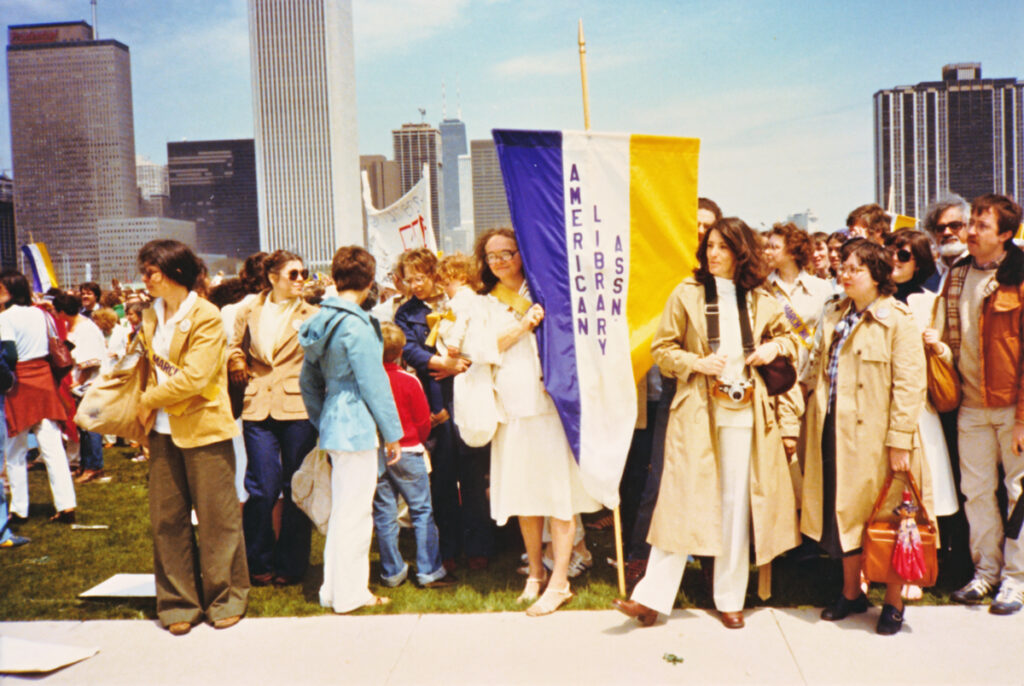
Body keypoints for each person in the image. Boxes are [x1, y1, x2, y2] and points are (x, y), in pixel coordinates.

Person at [613, 218, 800, 629]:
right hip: (698, 410)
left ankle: (730, 598)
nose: (713, 253)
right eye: (709, 246)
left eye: (722, 247)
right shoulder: (687, 293)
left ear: (741, 252)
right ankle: (650, 598)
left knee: (735, 507)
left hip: (748, 415)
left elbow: (799, 338)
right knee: (682, 504)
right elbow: (662, 349)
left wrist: (772, 347)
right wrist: (696, 362)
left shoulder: (763, 298)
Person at [468, 227, 601, 615]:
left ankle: (560, 579)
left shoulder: (548, 289)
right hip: (512, 409)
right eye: (492, 256)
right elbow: (480, 347)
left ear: (521, 253)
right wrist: (522, 327)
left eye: (507, 253)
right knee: (525, 496)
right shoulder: (484, 304)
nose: (500, 262)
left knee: (558, 496)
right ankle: (536, 575)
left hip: (550, 406)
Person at [801, 238, 928, 635]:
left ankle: (892, 604)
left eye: (855, 267)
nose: (845, 273)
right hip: (834, 430)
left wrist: (900, 441)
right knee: (844, 516)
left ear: (877, 275)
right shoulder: (834, 312)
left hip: (879, 439)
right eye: (844, 266)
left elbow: (910, 385)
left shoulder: (898, 320)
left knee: (889, 518)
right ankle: (851, 593)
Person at [134, 240, 248, 636]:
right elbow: (148, 367)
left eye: (151, 272)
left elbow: (197, 377)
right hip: (162, 432)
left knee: (218, 518)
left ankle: (226, 598)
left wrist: (146, 400)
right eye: (144, 271)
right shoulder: (149, 315)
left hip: (204, 429)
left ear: (175, 272)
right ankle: (178, 602)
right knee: (167, 520)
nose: (144, 279)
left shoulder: (207, 315)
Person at [299, 246, 404, 613]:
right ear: (370, 282)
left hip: (334, 421)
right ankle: (351, 594)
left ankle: (333, 590)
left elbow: (308, 381)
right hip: (357, 424)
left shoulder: (319, 320)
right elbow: (374, 383)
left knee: (346, 509)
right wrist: (393, 432)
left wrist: (321, 417)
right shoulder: (357, 324)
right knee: (355, 514)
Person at [937, 194, 1024, 615]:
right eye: (970, 222)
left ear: (1006, 235)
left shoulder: (1020, 274)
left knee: (1018, 494)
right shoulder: (955, 273)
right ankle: (985, 572)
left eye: (981, 226)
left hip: (1013, 410)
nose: (969, 232)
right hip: (970, 406)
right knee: (976, 493)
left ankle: (1016, 580)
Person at [395, 248, 492, 571]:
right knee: (443, 478)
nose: (415, 286)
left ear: (435, 275)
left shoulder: (463, 300)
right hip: (434, 399)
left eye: (420, 278)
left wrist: (457, 366)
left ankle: (480, 544)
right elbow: (408, 349)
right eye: (408, 281)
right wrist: (441, 362)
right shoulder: (406, 312)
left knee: (475, 475)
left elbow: (483, 340)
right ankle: (448, 547)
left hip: (469, 392)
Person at [228, 250, 320, 587]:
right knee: (262, 487)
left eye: (303, 273)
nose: (300, 280)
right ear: (272, 278)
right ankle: (257, 561)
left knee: (295, 486)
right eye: (293, 274)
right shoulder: (248, 310)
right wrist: (236, 361)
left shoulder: (313, 314)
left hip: (298, 408)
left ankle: (292, 565)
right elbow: (233, 345)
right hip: (257, 407)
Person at [373, 322, 454, 589]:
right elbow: (422, 420)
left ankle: (392, 570)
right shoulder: (409, 380)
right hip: (408, 448)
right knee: (421, 511)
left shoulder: (368, 381)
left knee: (384, 512)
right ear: (400, 352)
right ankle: (429, 569)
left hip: (378, 451)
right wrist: (418, 440)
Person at [0, 270, 76, 523]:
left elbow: (8, 354)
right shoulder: (41, 314)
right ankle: (66, 505)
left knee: (15, 450)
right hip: (43, 379)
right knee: (53, 446)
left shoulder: (5, 318)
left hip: (18, 383)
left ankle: (19, 509)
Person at [52, 292, 107, 484]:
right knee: (83, 426)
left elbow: (90, 362)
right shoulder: (75, 326)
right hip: (81, 385)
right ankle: (86, 463)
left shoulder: (86, 329)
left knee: (91, 426)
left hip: (91, 384)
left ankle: (94, 467)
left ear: (61, 311)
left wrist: (78, 381)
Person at [922, 195, 969, 290]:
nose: (947, 232)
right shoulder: (927, 275)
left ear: (968, 226)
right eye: (940, 228)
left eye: (955, 226)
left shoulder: (979, 267)